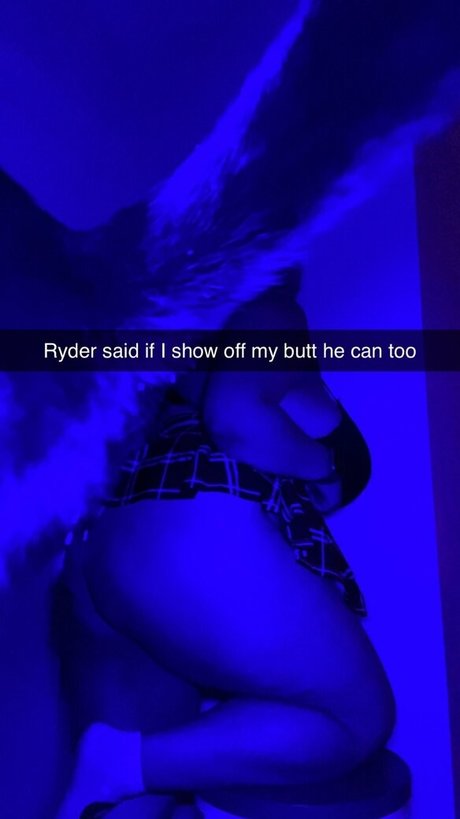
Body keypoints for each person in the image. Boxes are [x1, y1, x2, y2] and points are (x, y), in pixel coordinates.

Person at [59, 272, 394, 819]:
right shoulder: (268, 311)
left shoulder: (183, 327)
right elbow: (235, 421)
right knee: (352, 722)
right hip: (192, 542)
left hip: (107, 546)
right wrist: (326, 466)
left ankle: (125, 768)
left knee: (144, 804)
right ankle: (124, 762)